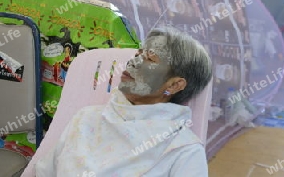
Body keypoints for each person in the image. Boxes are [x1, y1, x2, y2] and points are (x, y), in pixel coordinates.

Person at [35, 27, 211, 176]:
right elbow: (44, 172)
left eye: (149, 59)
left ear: (174, 85)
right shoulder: (86, 118)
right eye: (138, 54)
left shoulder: (183, 150)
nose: (133, 62)